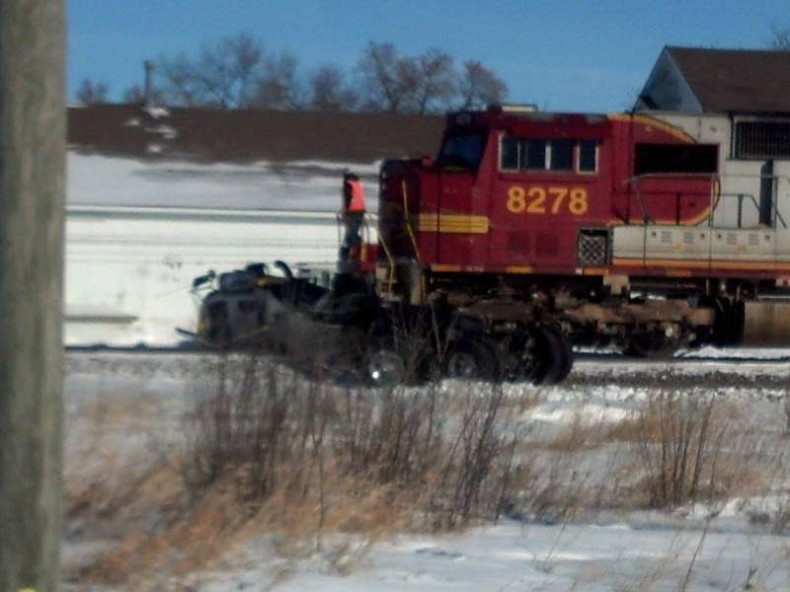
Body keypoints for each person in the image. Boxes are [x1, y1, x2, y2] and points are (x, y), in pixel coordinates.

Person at [340, 171, 366, 265]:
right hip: (360, 212)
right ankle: (355, 253)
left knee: (350, 236)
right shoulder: (358, 186)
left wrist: (344, 212)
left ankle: (352, 255)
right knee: (352, 234)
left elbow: (347, 200)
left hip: (352, 213)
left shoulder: (348, 186)